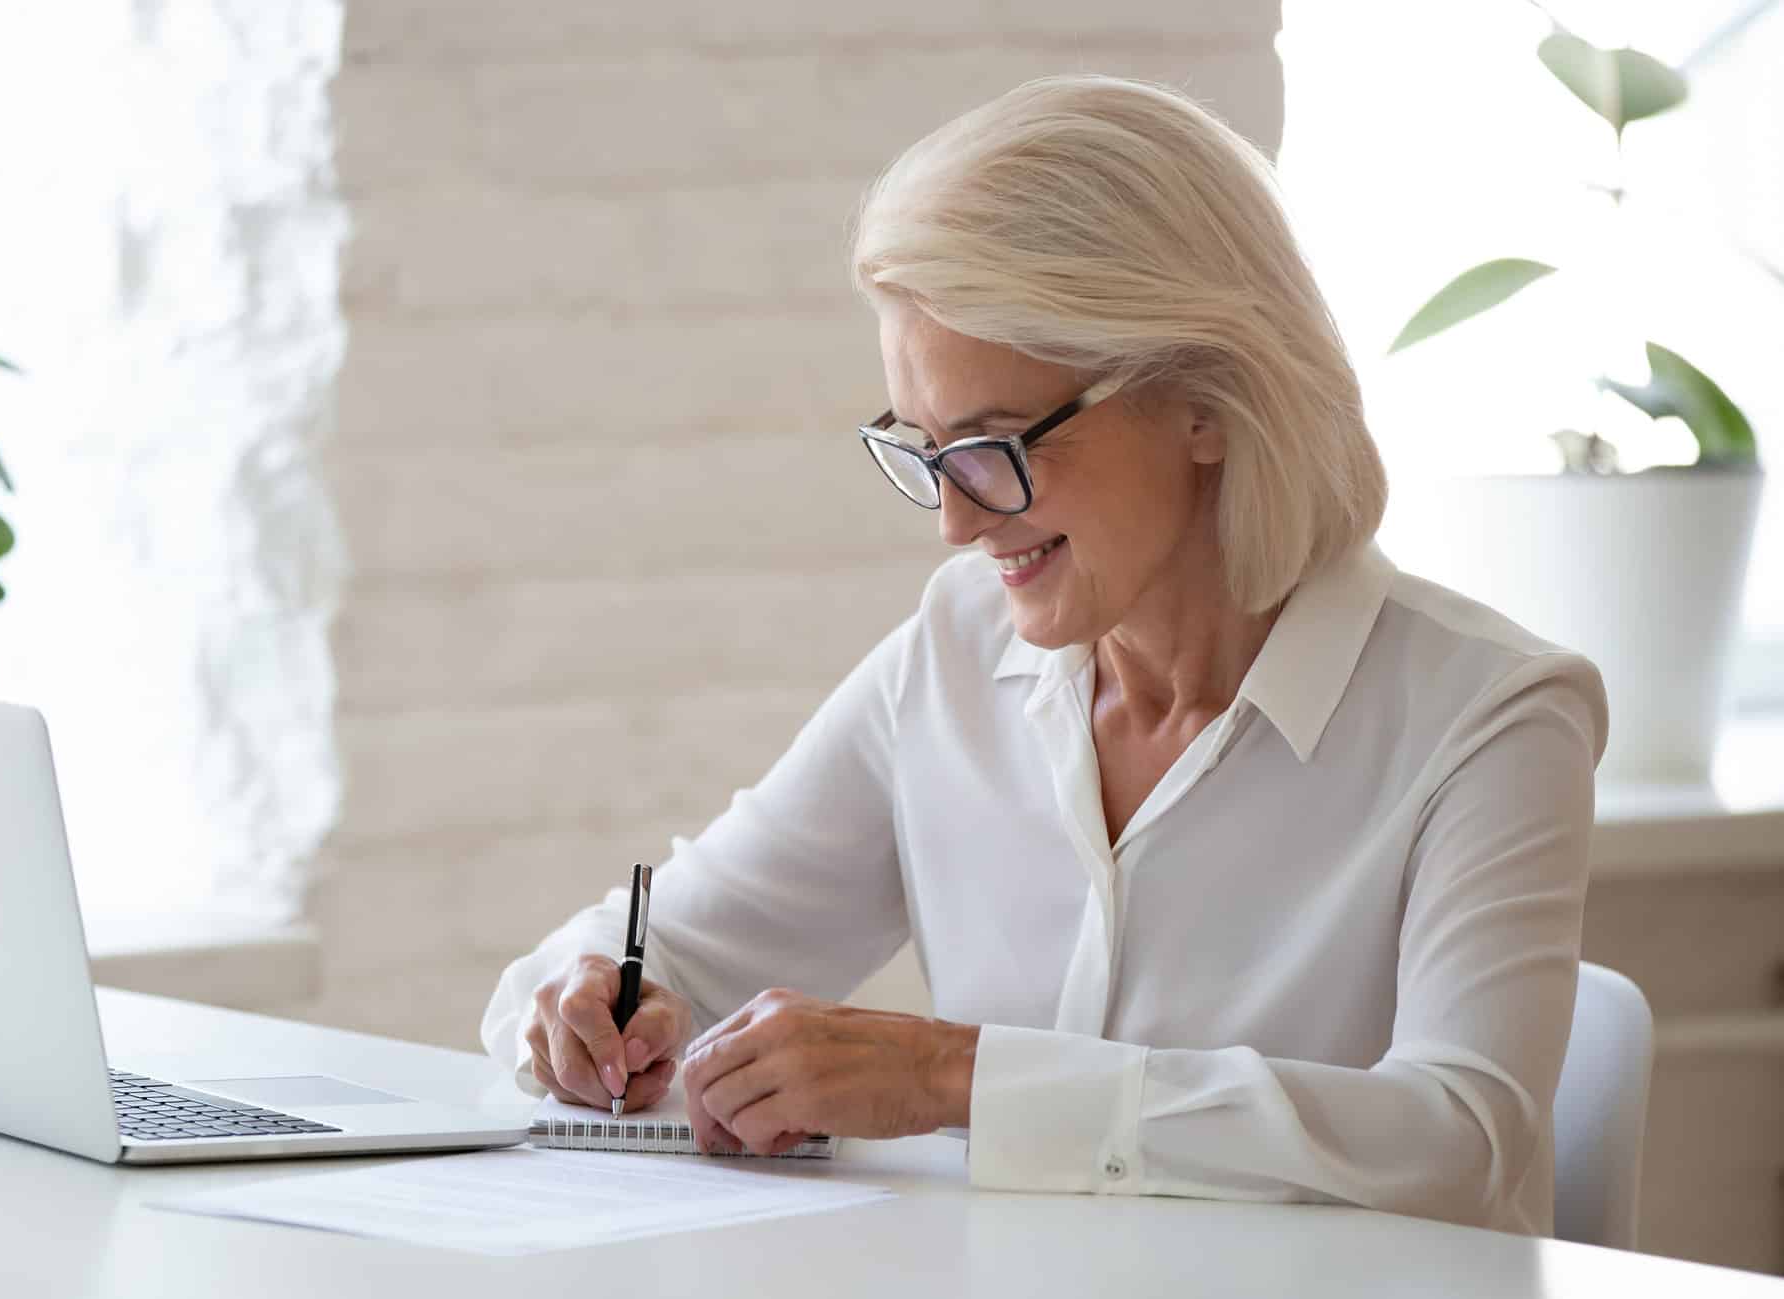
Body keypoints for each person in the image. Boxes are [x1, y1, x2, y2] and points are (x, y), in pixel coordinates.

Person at [480, 74, 1605, 1235]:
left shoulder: (1490, 715)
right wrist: (584, 1015)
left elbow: (1456, 1143)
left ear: (1206, 400)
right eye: (924, 451)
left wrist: (950, 1075)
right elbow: (663, 946)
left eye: (994, 445)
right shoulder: (954, 656)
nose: (955, 521)